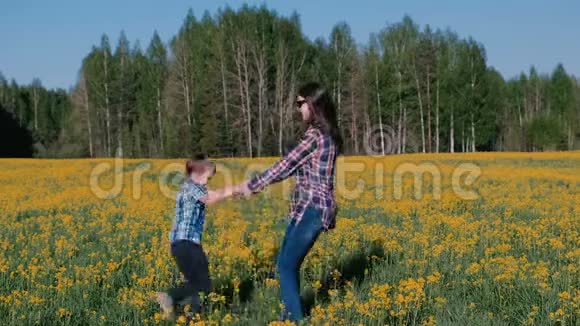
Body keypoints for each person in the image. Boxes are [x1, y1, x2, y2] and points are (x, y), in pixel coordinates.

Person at [236, 82, 342, 322]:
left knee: (285, 266)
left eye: (300, 103)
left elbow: (284, 167)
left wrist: (251, 186)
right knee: (285, 263)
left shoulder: (316, 136)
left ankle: (294, 318)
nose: (298, 109)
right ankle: (289, 313)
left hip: (312, 210)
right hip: (308, 209)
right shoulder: (327, 135)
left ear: (313, 104)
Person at [156, 154, 236, 319]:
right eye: (207, 177)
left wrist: (238, 192)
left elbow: (214, 193)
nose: (207, 181)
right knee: (202, 285)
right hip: (186, 244)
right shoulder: (191, 186)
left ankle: (192, 316)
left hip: (183, 244)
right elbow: (210, 198)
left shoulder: (191, 187)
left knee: (199, 283)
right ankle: (170, 297)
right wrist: (236, 189)